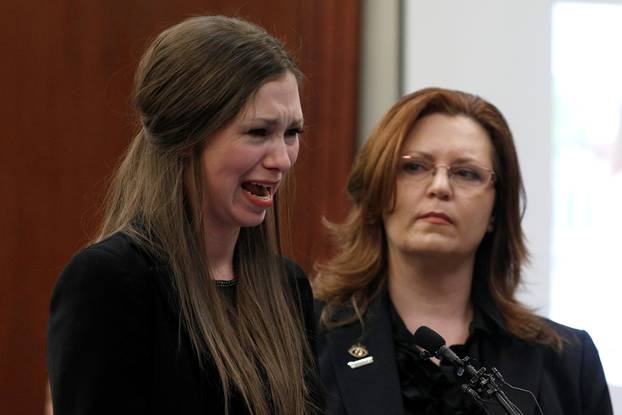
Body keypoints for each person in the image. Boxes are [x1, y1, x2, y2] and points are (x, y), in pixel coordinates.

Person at [47, 16, 322, 415]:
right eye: (258, 132)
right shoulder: (111, 282)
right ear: (186, 137)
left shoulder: (288, 286)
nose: (282, 159)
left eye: (292, 132)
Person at [313, 87, 612, 415]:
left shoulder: (567, 361)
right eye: (414, 167)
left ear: (496, 210)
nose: (439, 186)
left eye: (466, 173)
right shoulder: (307, 338)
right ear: (379, 190)